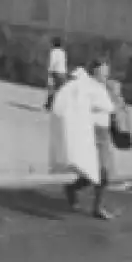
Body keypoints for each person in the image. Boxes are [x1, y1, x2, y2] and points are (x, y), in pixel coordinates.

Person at [50, 59, 116, 220]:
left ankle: (73, 188)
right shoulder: (84, 86)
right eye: (103, 71)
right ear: (94, 71)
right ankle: (96, 207)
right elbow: (73, 102)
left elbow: (110, 108)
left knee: (100, 173)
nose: (106, 74)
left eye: (107, 71)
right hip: (90, 133)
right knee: (100, 172)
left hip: (104, 134)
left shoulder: (103, 87)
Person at [44, 37, 68, 111]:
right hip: (63, 72)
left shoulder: (53, 52)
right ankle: (60, 106)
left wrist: (49, 71)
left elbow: (52, 62)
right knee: (60, 90)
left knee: (52, 88)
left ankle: (49, 105)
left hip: (55, 72)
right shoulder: (63, 52)